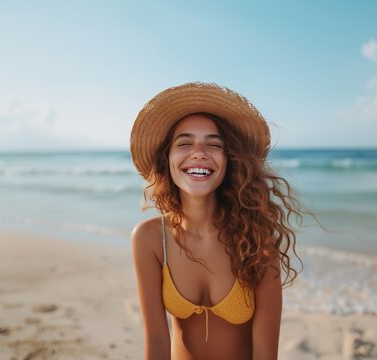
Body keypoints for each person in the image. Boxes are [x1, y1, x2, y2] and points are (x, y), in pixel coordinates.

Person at [130, 82, 303, 359]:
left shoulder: (257, 237)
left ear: (230, 160)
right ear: (167, 159)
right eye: (185, 143)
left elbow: (265, 353)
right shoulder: (149, 238)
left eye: (213, 144)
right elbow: (158, 344)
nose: (199, 152)